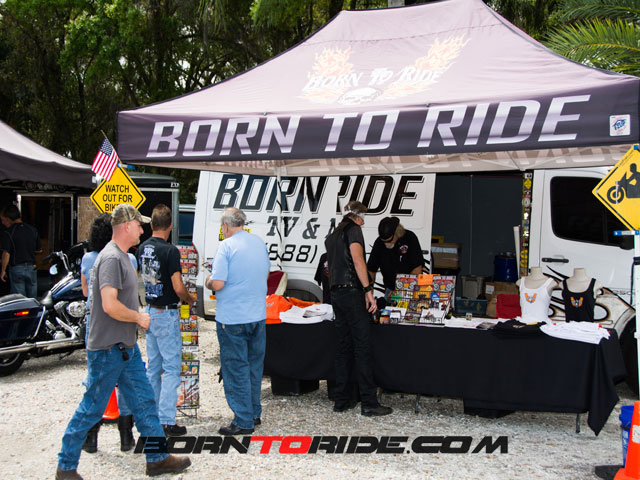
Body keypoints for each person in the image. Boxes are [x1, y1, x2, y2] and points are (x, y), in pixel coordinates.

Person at [56, 204, 191, 480]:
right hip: (108, 350)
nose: (142, 230)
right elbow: (109, 305)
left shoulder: (122, 257)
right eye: (139, 225)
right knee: (91, 407)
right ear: (126, 226)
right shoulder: (111, 259)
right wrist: (138, 318)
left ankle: (157, 458)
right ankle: (65, 466)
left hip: (124, 348)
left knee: (144, 401)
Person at [205, 207, 270, 435]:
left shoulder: (226, 246)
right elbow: (265, 273)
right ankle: (253, 412)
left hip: (233, 318)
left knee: (236, 368)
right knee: (254, 367)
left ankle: (243, 420)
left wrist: (208, 280)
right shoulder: (258, 243)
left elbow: (218, 283)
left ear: (225, 226)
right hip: (257, 315)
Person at [324, 201, 392, 417]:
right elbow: (358, 260)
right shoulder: (353, 231)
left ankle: (341, 400)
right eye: (364, 217)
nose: (364, 222)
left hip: (336, 293)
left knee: (343, 347)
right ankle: (369, 403)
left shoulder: (333, 235)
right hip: (353, 293)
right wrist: (368, 290)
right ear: (358, 216)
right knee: (362, 347)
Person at [79, 213, 139, 454]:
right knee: (126, 382)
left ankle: (91, 437)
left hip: (96, 325)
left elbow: (86, 292)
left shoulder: (88, 259)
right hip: (123, 327)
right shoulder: (129, 259)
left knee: (96, 381)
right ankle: (126, 435)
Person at [138, 204, 195, 437]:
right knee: (171, 368)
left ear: (151, 225)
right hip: (167, 312)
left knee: (153, 367)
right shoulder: (170, 251)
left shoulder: (142, 248)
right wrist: (189, 299)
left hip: (150, 310)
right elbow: (178, 286)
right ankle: (167, 420)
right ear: (171, 226)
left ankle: (152, 417)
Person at [367, 216, 424, 296]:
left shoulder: (410, 238)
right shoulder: (379, 243)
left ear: (397, 233)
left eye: (389, 241)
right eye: (383, 241)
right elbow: (371, 269)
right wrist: (369, 289)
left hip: (409, 289)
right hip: (389, 289)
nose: (386, 244)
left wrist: (402, 290)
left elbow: (417, 268)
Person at [0, 204, 42, 298]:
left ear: (8, 218)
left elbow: (6, 253)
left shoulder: (8, 232)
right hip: (31, 268)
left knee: (20, 300)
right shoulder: (32, 230)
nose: (3, 223)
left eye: (3, 220)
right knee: (32, 298)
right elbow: (39, 250)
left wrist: (3, 270)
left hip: (17, 268)